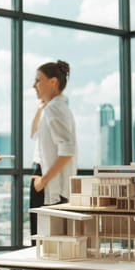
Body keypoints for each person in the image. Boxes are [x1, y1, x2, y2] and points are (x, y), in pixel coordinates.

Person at [29, 60, 77, 240]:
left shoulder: (55, 109)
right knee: (46, 242)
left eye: (38, 80)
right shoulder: (52, 108)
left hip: (47, 181)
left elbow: (67, 149)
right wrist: (40, 108)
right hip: (46, 178)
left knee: (42, 243)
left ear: (53, 82)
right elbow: (33, 133)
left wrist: (43, 181)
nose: (34, 85)